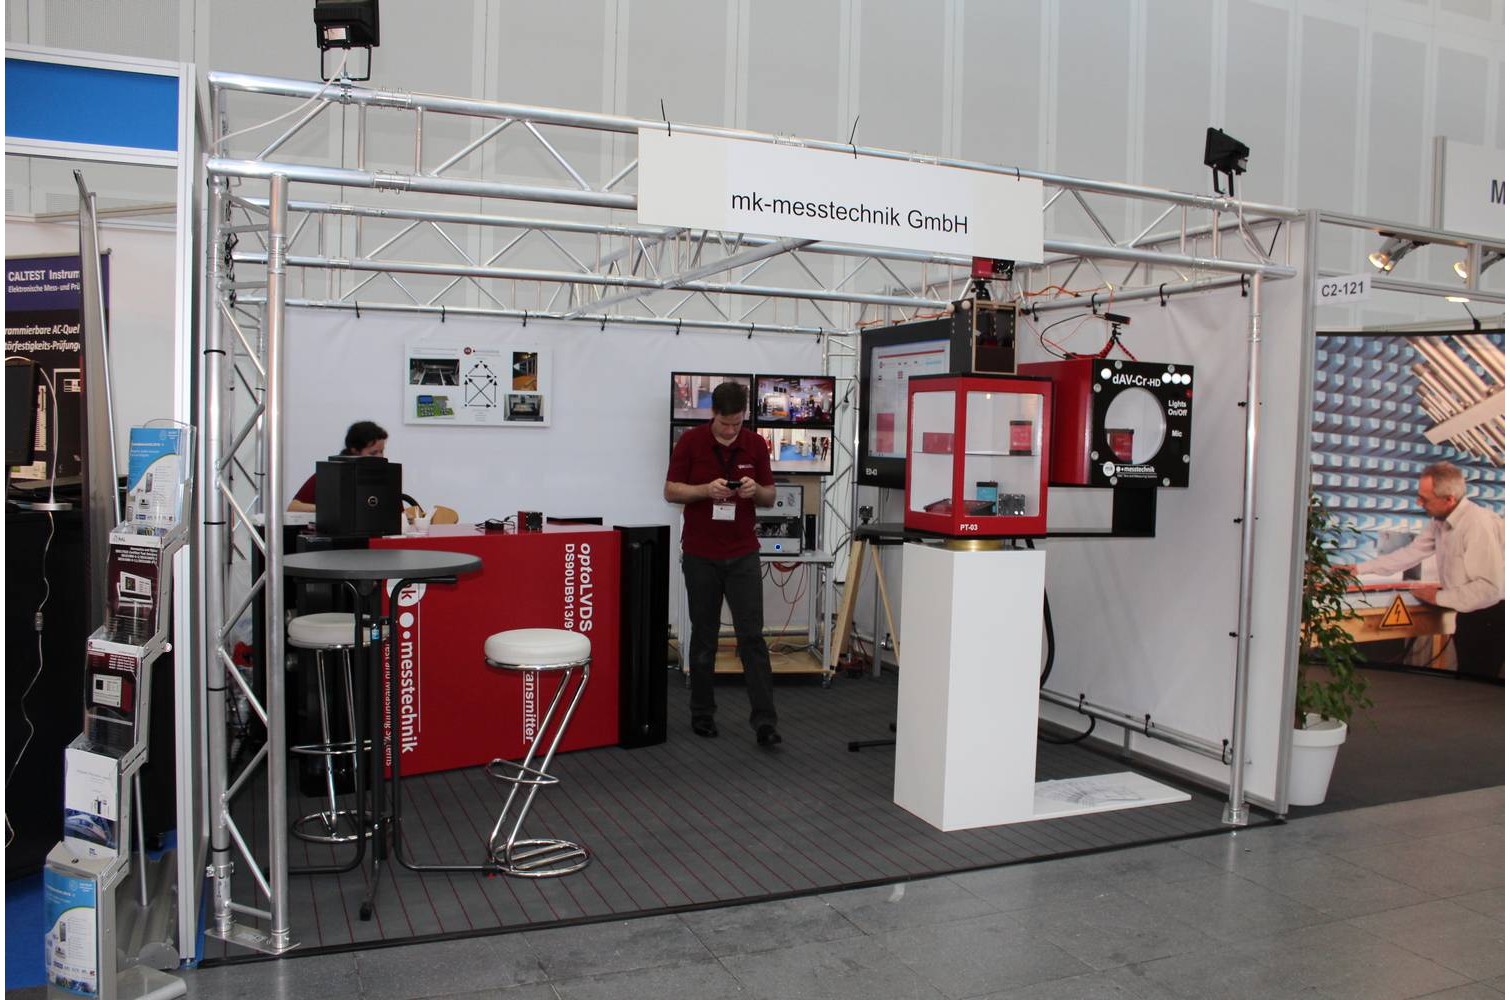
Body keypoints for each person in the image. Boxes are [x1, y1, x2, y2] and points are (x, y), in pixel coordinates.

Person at [664, 381, 782, 746]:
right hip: (701, 555)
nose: (731, 430)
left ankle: (765, 721)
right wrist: (704, 490)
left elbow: (769, 497)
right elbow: (670, 490)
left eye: (737, 424)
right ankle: (702, 713)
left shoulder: (757, 444)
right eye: (725, 424)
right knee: (704, 637)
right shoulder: (690, 442)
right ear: (712, 413)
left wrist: (753, 491)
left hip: (743, 553)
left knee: (752, 639)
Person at [1337, 461, 1505, 679]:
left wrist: (1437, 596)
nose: (1419, 502)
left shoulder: (1477, 525)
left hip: (1490, 615)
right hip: (1469, 613)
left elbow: (1488, 589)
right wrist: (1358, 568)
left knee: (1479, 686)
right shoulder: (1440, 521)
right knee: (1467, 680)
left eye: (1425, 499)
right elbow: (1411, 553)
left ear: (1449, 499)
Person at [287, 420, 387, 512]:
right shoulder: (329, 475)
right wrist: (329, 510)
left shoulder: (386, 476)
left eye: (381, 451)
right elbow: (293, 507)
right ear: (354, 450)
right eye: (373, 453)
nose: (380, 457)